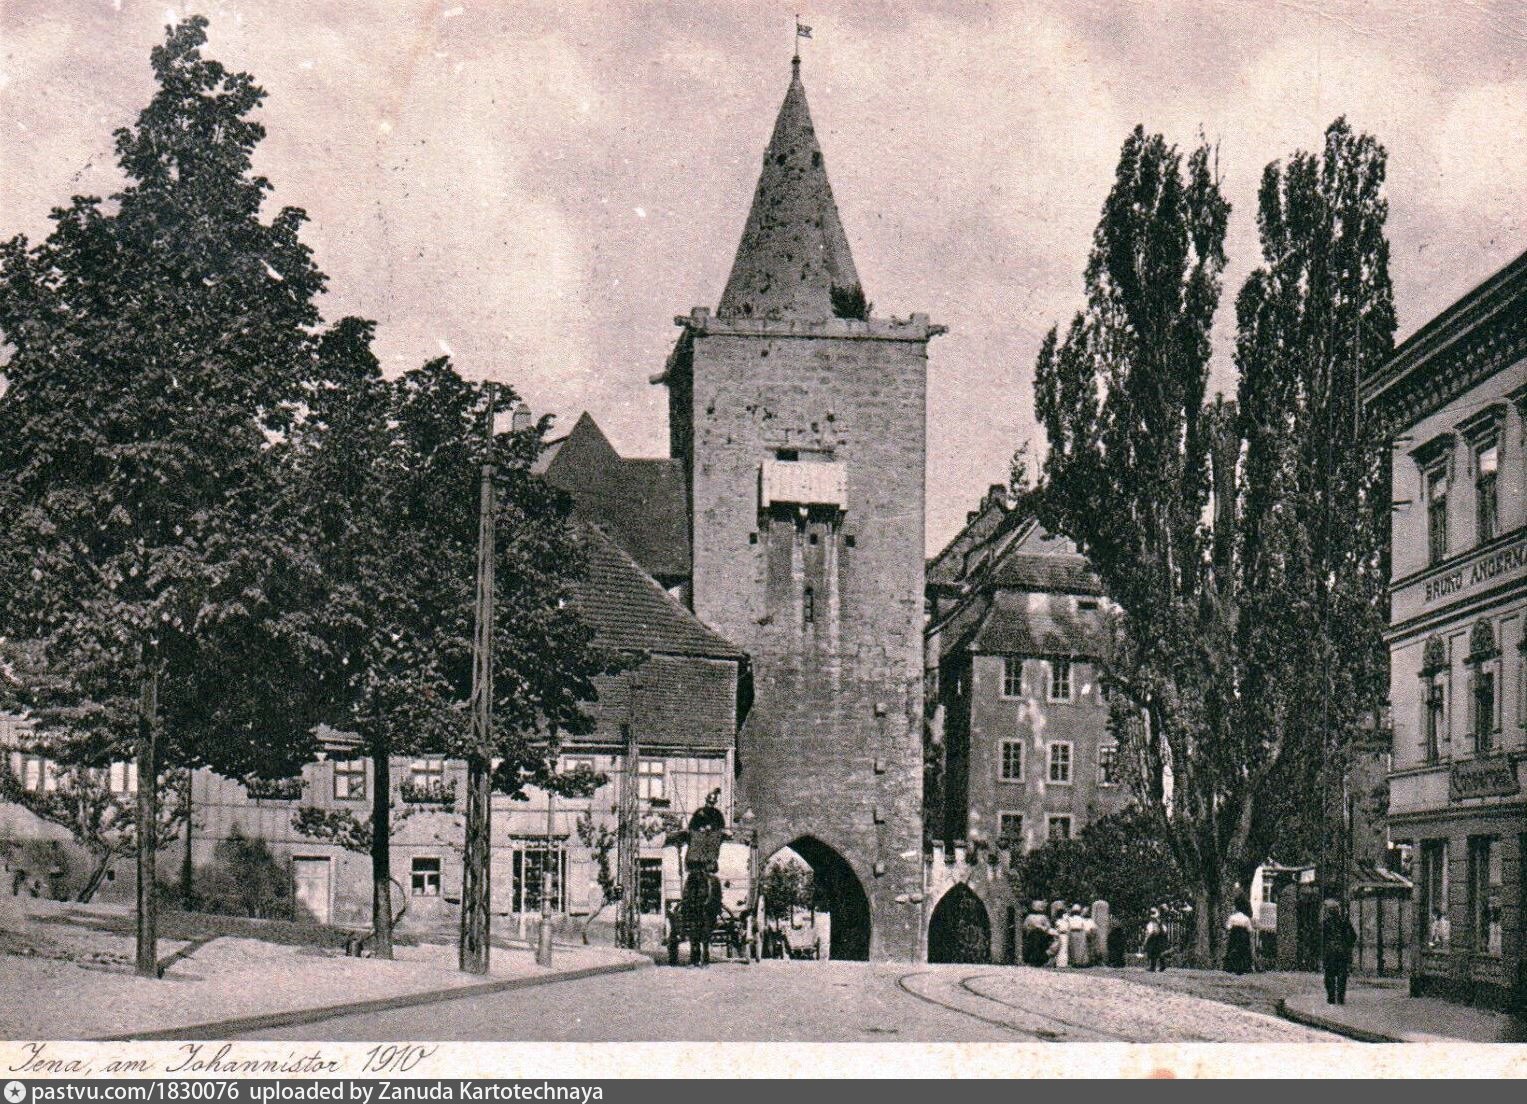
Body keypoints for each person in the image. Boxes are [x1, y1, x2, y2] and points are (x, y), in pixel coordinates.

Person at [1322, 899, 1357, 1005]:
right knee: (1342, 976)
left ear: (1328, 911)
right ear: (1338, 910)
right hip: (1342, 953)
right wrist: (1347, 946)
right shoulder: (1344, 922)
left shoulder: (1325, 923)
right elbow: (1353, 936)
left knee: (1329, 976)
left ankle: (1331, 998)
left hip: (1330, 953)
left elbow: (1320, 939)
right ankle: (1340, 998)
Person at [1224, 897, 1254, 975]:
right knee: (1243, 952)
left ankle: (1231, 967)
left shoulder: (1232, 917)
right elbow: (1250, 929)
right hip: (1244, 936)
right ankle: (1244, 968)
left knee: (1233, 951)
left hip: (1234, 936)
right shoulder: (1246, 918)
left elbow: (1228, 927)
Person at [1021, 901, 1052, 967]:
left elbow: (1025, 926)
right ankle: (1036, 961)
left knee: (1036, 947)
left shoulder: (1031, 917)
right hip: (1036, 934)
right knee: (1036, 947)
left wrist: (1040, 928)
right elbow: (1048, 926)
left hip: (1037, 934)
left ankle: (1036, 961)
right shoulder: (1042, 917)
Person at [1144, 907, 1168, 972]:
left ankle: (1153, 967)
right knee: (1159, 952)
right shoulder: (1160, 921)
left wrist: (1147, 939)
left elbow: (1152, 931)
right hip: (1160, 938)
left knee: (1153, 952)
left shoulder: (1154, 922)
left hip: (1154, 938)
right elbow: (1164, 930)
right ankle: (1162, 966)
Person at [1052, 902, 1071, 968]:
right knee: (1062, 949)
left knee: (1062, 949)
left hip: (1062, 935)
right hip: (1063, 935)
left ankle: (1061, 963)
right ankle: (1061, 963)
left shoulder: (1059, 921)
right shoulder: (1062, 921)